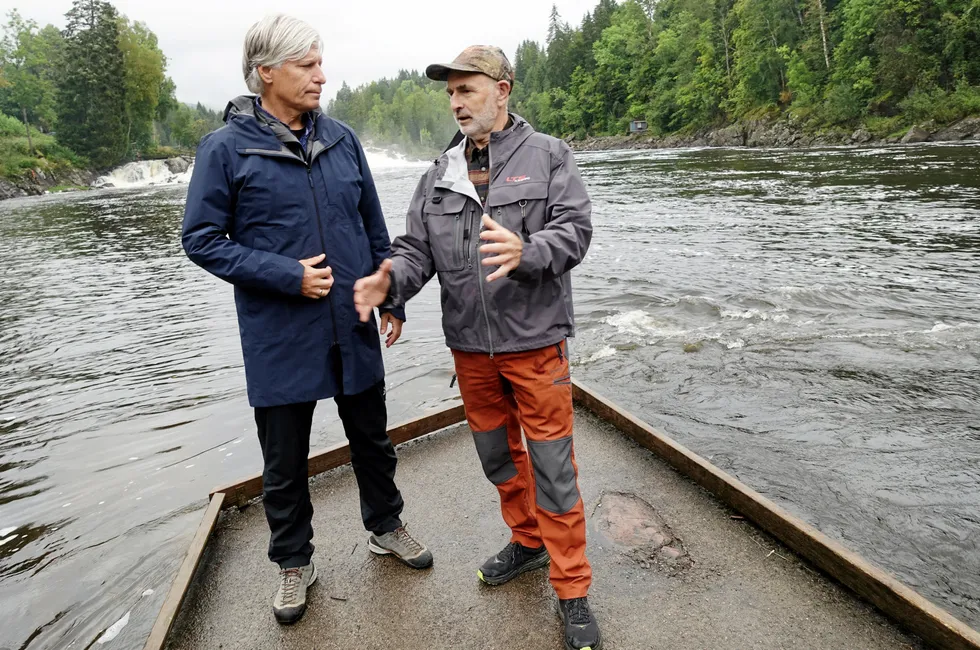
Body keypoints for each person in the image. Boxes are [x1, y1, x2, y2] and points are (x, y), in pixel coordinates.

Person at [181, 14, 431, 626]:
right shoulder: (225, 149)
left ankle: (385, 525)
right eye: (307, 65)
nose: (322, 75)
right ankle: (295, 562)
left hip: (353, 321)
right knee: (284, 458)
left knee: (372, 436)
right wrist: (285, 274)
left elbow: (374, 229)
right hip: (279, 333)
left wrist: (392, 295)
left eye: (321, 62)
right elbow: (201, 239)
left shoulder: (343, 140)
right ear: (266, 73)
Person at [354, 45, 601, 650]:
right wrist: (391, 284)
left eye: (467, 90)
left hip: (535, 345)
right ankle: (527, 542)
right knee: (498, 457)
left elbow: (575, 231)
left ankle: (573, 591)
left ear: (503, 89)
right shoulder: (439, 172)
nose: (457, 102)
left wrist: (529, 252)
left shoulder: (549, 157)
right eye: (451, 93)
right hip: (470, 349)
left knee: (553, 470)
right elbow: (416, 250)